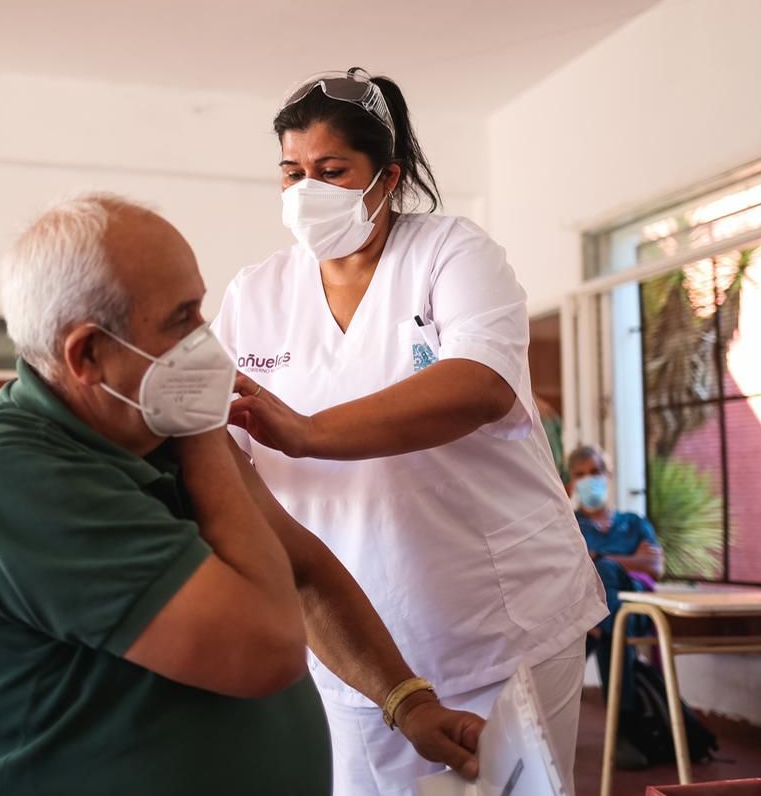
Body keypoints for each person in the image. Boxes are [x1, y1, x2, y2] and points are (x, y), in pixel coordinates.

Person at [0, 194, 484, 796]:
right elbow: (266, 650)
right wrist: (203, 428)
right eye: (181, 320)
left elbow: (302, 573)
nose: (208, 342)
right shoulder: (12, 477)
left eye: (199, 309)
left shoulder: (147, 424)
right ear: (88, 355)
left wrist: (408, 702)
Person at [213, 67, 607, 796]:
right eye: (292, 173)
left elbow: (479, 385)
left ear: (386, 177)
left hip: (498, 625)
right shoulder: (255, 294)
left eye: (332, 171)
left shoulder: (452, 253)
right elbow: (219, 456)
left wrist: (306, 432)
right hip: (350, 638)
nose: (307, 191)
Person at [566, 444, 663, 769]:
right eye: (580, 475)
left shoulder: (633, 522)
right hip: (596, 612)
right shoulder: (569, 526)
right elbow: (568, 570)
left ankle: (600, 626)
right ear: (571, 484)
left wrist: (600, 557)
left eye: (595, 472)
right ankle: (624, 732)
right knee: (614, 626)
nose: (589, 480)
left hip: (634, 611)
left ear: (608, 476)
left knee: (606, 574)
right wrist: (632, 560)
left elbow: (655, 567)